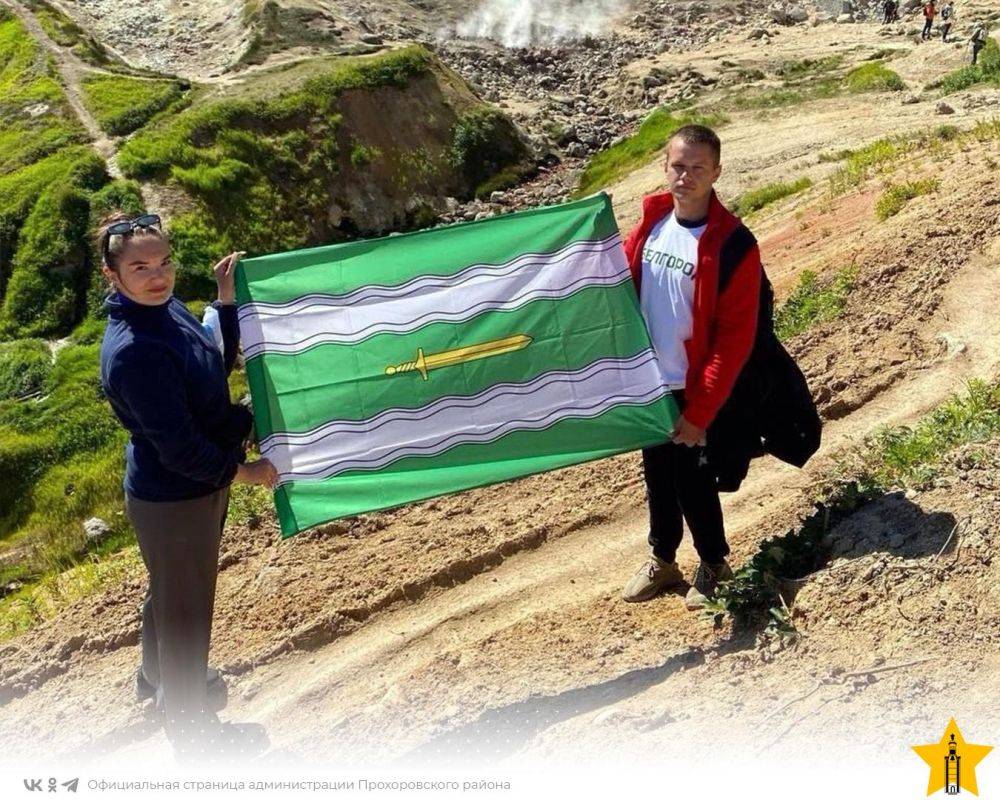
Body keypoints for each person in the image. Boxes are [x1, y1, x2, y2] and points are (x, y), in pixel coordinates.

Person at [97, 212, 277, 761]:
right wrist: (242, 473)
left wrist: (224, 301)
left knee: (171, 594)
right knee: (186, 611)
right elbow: (178, 448)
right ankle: (193, 732)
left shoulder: (162, 311)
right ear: (112, 275)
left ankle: (156, 679)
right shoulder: (135, 351)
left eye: (163, 262)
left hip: (182, 490)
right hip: (177, 495)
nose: (158, 275)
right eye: (140, 267)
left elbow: (207, 362)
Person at [620, 125, 762, 609]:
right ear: (665, 166)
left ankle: (717, 564)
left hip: (691, 386)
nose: (686, 177)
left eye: (698, 168)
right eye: (679, 166)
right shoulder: (651, 224)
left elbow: (734, 337)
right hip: (649, 383)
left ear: (716, 172)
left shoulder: (734, 245)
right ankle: (663, 560)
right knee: (657, 476)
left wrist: (701, 410)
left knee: (693, 481)